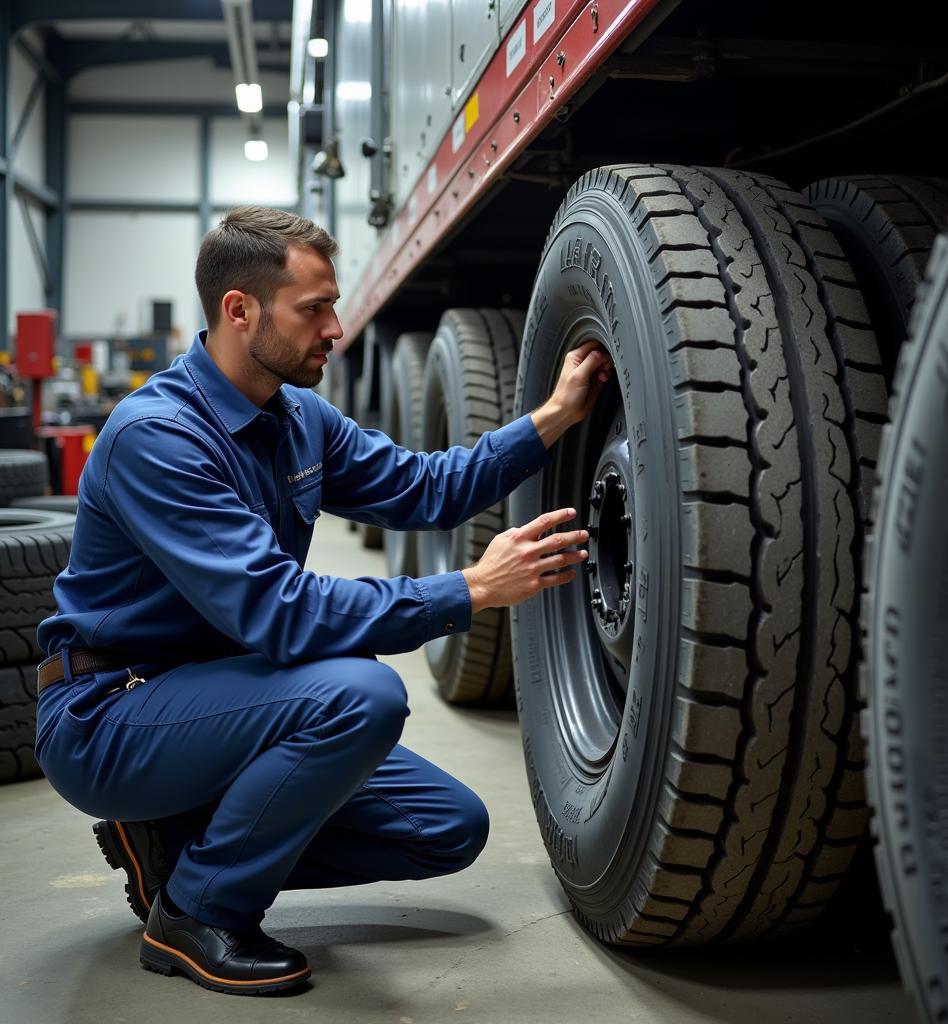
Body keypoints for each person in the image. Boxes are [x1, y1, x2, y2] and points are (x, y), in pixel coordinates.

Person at [33, 206, 612, 996]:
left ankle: (174, 849)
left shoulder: (299, 416)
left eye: (333, 306)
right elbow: (279, 613)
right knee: (358, 693)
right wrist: (473, 588)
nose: (336, 328)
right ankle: (197, 914)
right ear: (240, 309)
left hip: (226, 696)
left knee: (446, 828)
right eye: (314, 308)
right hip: (114, 712)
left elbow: (424, 488)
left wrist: (552, 418)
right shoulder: (158, 436)